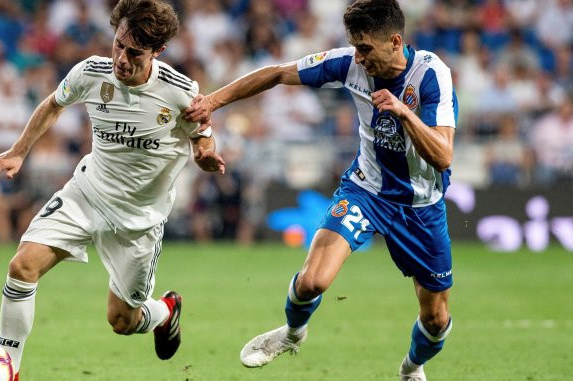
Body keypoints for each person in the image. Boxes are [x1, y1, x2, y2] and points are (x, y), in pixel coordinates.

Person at [185, 0, 457, 379]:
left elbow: (443, 156)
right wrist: (214, 100)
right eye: (355, 47)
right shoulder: (347, 63)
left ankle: (412, 368)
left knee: (436, 317)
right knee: (313, 280)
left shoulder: (430, 75)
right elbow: (279, 73)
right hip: (368, 191)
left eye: (366, 49)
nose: (359, 58)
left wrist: (405, 113)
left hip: (421, 207)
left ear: (395, 41)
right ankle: (293, 334)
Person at [0, 0, 225, 379]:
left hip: (139, 219)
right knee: (22, 266)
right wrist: (18, 151)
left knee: (122, 321)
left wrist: (205, 154)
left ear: (157, 51)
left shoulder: (180, 92)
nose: (121, 59)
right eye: (118, 45)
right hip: (87, 194)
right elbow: (53, 104)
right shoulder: (91, 72)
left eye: (134, 52)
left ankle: (164, 311)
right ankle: (8, 369)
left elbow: (203, 137)